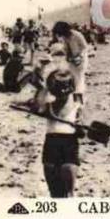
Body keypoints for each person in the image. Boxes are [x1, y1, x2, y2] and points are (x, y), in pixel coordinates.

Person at [32, 69, 83, 198]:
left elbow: (84, 133)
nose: (61, 93)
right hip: (55, 145)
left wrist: (80, 129)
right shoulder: (48, 107)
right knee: (56, 193)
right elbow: (36, 105)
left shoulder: (77, 108)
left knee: (66, 193)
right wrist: (42, 88)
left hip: (65, 145)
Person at [51, 21, 89, 101]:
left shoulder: (77, 35)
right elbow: (65, 48)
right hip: (71, 59)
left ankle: (79, 97)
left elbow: (84, 47)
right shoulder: (65, 37)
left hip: (80, 59)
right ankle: (75, 96)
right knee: (72, 78)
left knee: (79, 78)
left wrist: (80, 56)